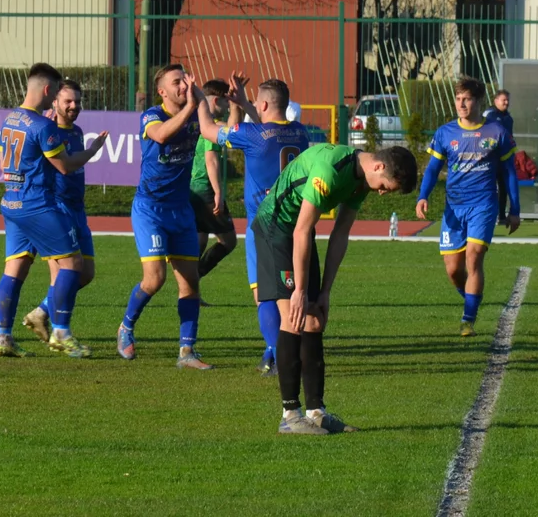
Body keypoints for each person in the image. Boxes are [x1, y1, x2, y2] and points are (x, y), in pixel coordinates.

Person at [254, 143, 418, 434]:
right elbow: (301, 229)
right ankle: (290, 416)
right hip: (276, 229)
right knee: (294, 317)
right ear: (378, 167)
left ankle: (316, 412)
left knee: (314, 320)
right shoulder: (331, 171)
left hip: (299, 232)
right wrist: (301, 290)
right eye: (385, 187)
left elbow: (340, 233)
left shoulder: (360, 181)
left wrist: (325, 290)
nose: (381, 192)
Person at [0, 63, 108, 358]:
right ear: (48, 91)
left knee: (14, 271)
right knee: (72, 266)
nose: (58, 99)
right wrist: (94, 151)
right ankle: (61, 333)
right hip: (38, 205)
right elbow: (65, 166)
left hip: (12, 202)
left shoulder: (10, 119)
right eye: (57, 93)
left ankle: (3, 338)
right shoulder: (43, 126)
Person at [201, 76, 309, 377]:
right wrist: (246, 102)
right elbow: (270, 128)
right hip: (295, 224)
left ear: (263, 104)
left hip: (262, 227)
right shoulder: (300, 133)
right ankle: (278, 352)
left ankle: (279, 355)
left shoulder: (251, 134)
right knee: (289, 294)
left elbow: (209, 130)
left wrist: (199, 98)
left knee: (264, 295)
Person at [116, 64, 218, 369]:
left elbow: (215, 130)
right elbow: (160, 135)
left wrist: (210, 101)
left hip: (180, 210)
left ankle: (187, 352)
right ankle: (125, 328)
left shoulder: (193, 112)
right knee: (155, 279)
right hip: (151, 209)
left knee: (190, 283)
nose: (183, 86)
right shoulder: (152, 115)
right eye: (177, 82)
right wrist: (190, 106)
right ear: (162, 91)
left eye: (186, 80)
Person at [417, 78, 520, 337]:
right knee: (453, 271)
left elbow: (509, 172)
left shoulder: (497, 131)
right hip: (454, 207)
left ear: (479, 101)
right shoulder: (445, 132)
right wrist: (423, 195)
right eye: (458, 98)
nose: (461, 104)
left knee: (474, 257)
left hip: (483, 204)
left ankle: (468, 320)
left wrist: (514, 209)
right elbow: (432, 168)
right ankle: (471, 298)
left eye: (467, 99)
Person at [21, 79, 98, 344]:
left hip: (78, 209)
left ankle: (41, 312)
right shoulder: (46, 130)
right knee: (62, 273)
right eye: (68, 101)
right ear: (54, 101)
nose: (74, 105)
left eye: (77, 100)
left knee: (86, 273)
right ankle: (60, 334)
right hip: (56, 209)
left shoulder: (76, 131)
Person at [189, 79, 239, 300]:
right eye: (227, 103)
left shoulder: (198, 121)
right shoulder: (212, 126)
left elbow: (234, 131)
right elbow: (211, 159)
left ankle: (191, 291)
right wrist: (218, 191)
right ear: (217, 100)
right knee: (228, 241)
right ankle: (194, 277)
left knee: (200, 239)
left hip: (193, 188)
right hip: (205, 189)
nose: (228, 108)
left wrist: (238, 104)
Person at [483, 90, 514, 225]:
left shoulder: (508, 118)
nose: (506, 102)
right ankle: (487, 215)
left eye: (507, 100)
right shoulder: (488, 115)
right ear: (496, 101)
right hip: (490, 158)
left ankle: (501, 216)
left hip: (504, 158)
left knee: (504, 187)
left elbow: (509, 137)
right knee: (488, 187)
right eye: (503, 100)